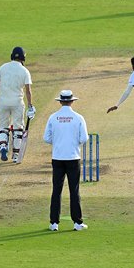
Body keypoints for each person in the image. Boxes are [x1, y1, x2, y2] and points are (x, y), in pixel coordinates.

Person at [43, 90, 89, 232]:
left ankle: (54, 223)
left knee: (56, 190)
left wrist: (58, 142)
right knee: (74, 190)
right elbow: (84, 139)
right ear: (72, 101)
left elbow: (46, 138)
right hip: (73, 157)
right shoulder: (78, 117)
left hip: (57, 157)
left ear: (60, 101)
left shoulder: (53, 117)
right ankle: (77, 222)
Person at [0, 47, 35, 163]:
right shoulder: (24, 71)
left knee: (2, 127)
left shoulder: (3, 67)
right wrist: (30, 106)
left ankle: (3, 146)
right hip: (17, 103)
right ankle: (15, 155)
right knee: (18, 128)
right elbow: (28, 91)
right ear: (23, 57)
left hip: (3, 102)